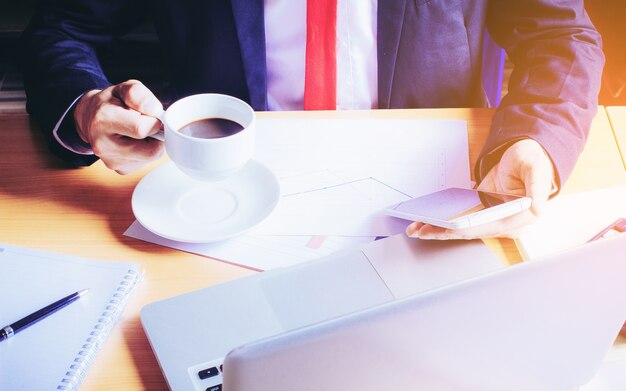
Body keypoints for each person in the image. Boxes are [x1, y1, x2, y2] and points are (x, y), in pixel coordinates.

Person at [18, 0, 604, 240]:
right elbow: (62, 27)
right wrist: (85, 109)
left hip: (436, 202)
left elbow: (561, 36)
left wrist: (536, 139)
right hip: (223, 203)